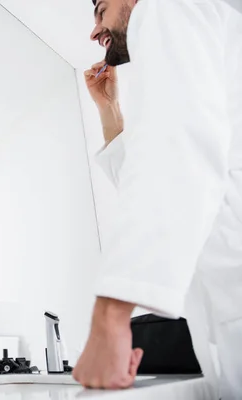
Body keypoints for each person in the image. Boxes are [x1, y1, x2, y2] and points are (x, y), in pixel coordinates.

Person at [73, 0, 242, 397]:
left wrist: (111, 319)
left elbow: (176, 153)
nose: (95, 31)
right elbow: (172, 169)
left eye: (101, 10)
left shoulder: (166, 5)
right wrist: (110, 110)